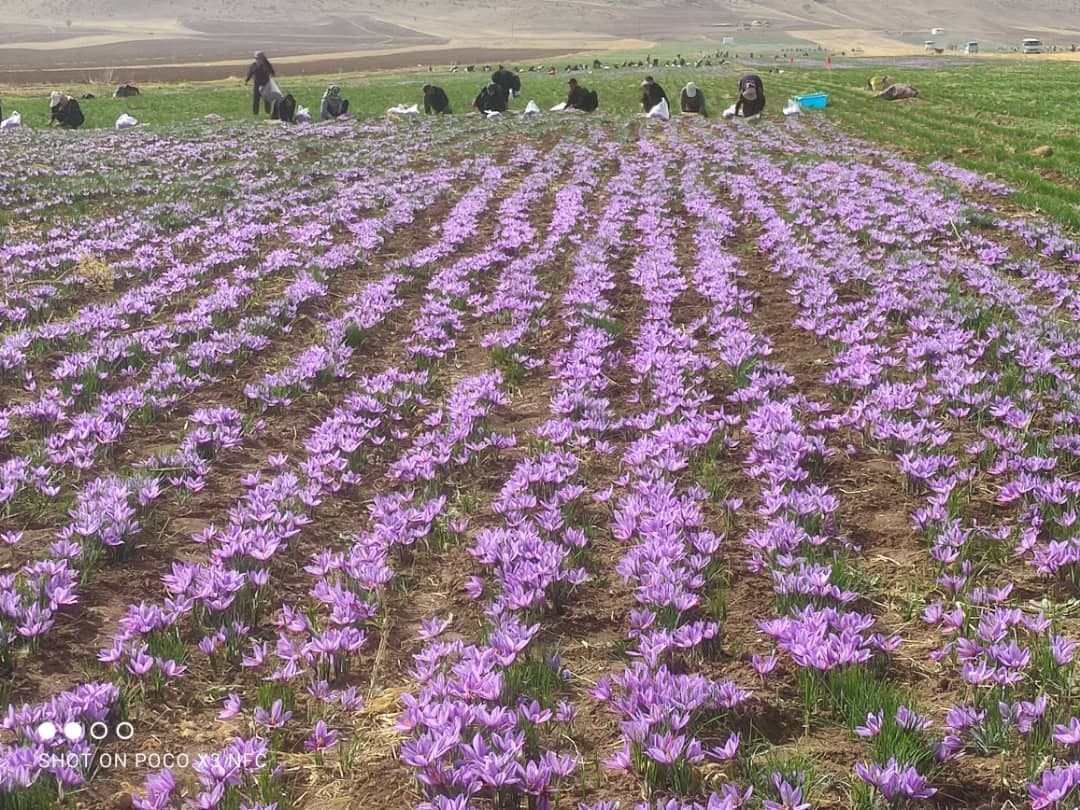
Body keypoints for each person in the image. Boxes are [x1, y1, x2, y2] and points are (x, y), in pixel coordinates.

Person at [245, 51, 276, 116]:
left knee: (267, 100)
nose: (257, 59)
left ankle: (268, 113)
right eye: (256, 58)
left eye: (259, 58)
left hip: (266, 85)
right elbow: (250, 73)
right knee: (256, 100)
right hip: (257, 85)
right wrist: (246, 80)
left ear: (262, 58)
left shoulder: (266, 65)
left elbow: (272, 72)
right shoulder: (253, 65)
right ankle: (255, 114)